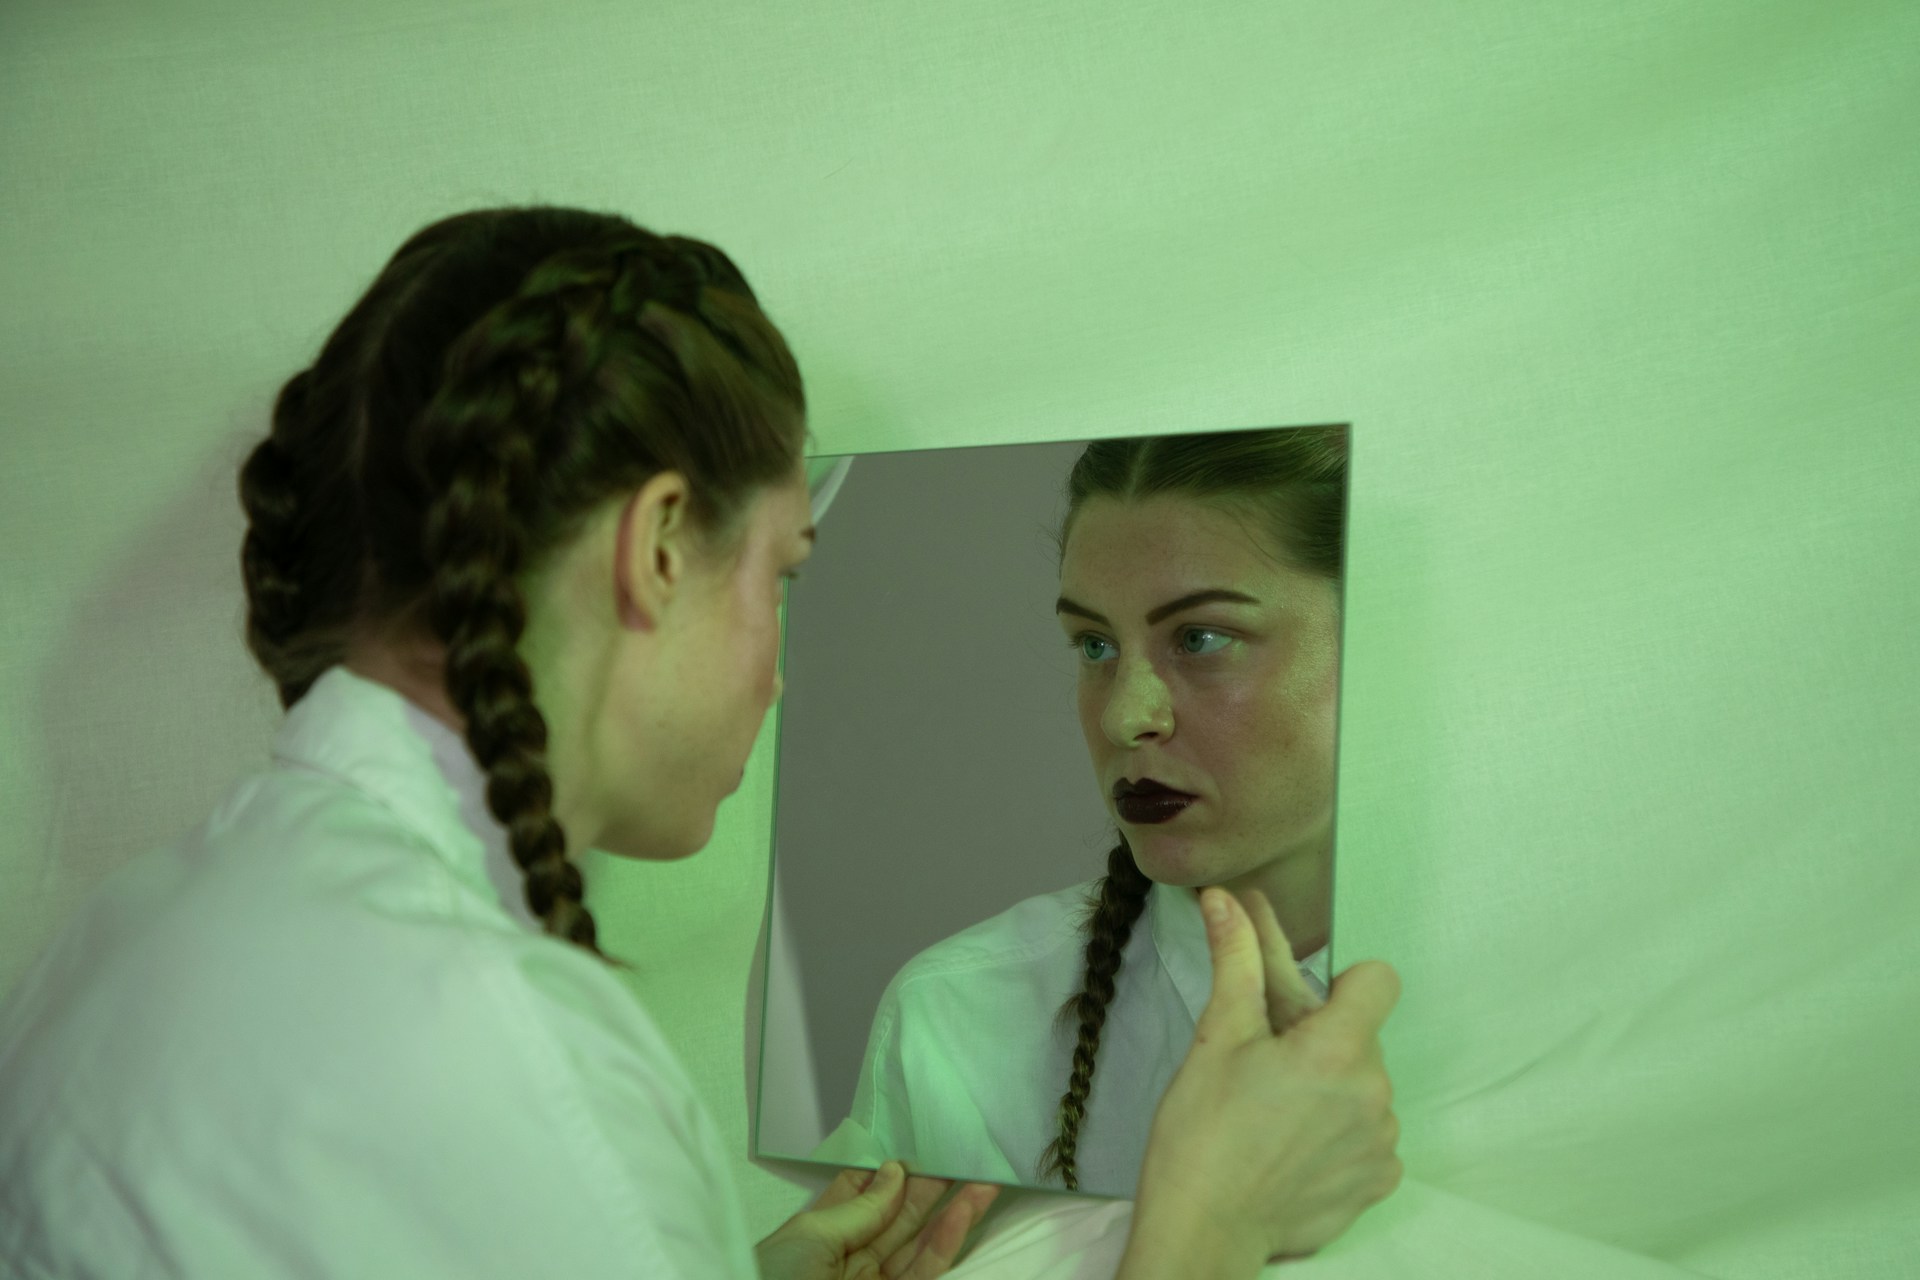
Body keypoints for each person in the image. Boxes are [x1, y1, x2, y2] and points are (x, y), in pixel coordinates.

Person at [0, 205, 1402, 1279]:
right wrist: (1200, 1238)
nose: (783, 676)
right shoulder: (500, 1055)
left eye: (1204, 635)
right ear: (660, 547)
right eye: (782, 577)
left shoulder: (121, 935)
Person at [812, 427, 1347, 1199]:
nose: (1126, 717)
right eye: (1095, 646)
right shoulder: (962, 1023)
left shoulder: (1539, 1003)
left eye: (1200, 638)